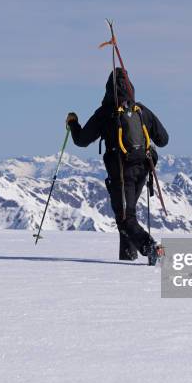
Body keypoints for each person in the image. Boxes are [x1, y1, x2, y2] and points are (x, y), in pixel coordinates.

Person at [66, 68, 169, 265]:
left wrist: (73, 123)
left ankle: (151, 247)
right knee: (127, 214)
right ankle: (127, 260)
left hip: (122, 171)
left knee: (125, 218)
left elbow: (81, 140)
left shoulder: (106, 113)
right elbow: (163, 140)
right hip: (144, 168)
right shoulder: (141, 111)